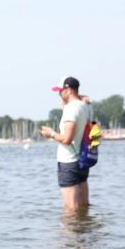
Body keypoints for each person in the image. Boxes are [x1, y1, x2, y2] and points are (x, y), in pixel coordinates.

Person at [40, 76, 93, 212]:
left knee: (71, 209)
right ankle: (84, 231)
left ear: (68, 90)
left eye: (60, 91)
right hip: (82, 160)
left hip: (69, 161)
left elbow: (67, 139)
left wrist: (51, 134)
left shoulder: (71, 109)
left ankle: (70, 232)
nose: (59, 94)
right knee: (83, 206)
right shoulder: (86, 107)